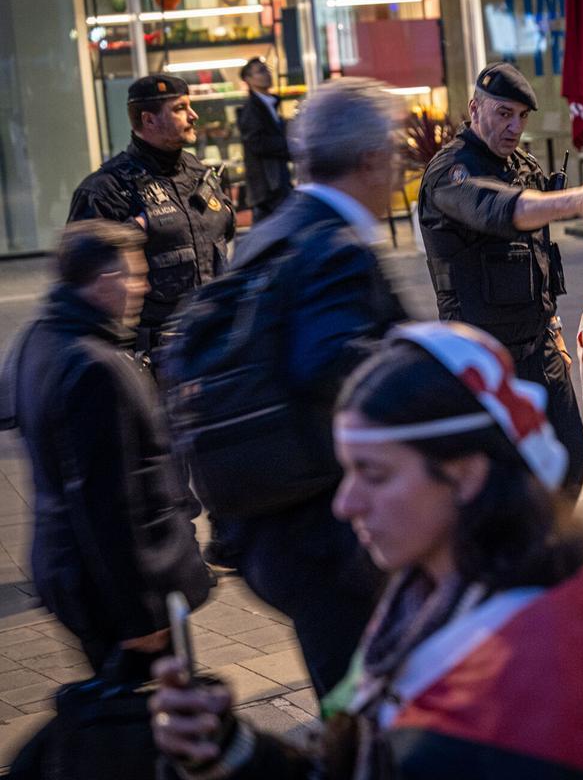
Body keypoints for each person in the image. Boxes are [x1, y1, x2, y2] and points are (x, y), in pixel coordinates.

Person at [149, 322, 583, 780]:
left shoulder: (512, 693)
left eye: (373, 474)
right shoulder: (446, 591)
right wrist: (226, 749)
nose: (346, 503)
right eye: (347, 470)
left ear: (464, 473)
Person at [218, 79, 408, 697]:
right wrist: (427, 364)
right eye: (397, 149)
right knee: (365, 705)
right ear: (371, 158)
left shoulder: (273, 232)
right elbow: (331, 363)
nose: (401, 163)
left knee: (355, 695)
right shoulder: (334, 244)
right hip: (324, 533)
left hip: (267, 519)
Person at [4, 221, 210, 676]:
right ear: (103, 283)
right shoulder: (94, 366)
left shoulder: (38, 339)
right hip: (123, 592)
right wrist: (140, 613)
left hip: (74, 573)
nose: (144, 287)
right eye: (135, 275)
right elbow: (107, 504)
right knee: (150, 719)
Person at [418, 62, 583, 497]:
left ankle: (550, 562)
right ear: (475, 109)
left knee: (569, 465)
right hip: (486, 364)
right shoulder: (451, 172)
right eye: (503, 114)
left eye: (522, 117)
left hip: (540, 351)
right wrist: (579, 200)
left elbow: (538, 256)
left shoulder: (522, 165)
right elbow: (504, 210)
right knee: (505, 491)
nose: (514, 127)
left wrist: (553, 329)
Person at [68, 74, 235, 354]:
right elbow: (80, 282)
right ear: (149, 120)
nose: (193, 115)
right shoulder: (106, 190)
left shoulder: (200, 174)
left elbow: (224, 232)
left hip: (214, 343)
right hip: (153, 354)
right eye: (179, 108)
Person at [236, 57, 292, 223]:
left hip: (276, 185)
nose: (267, 74)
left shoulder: (269, 104)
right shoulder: (252, 109)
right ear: (248, 80)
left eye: (266, 69)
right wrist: (290, 146)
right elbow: (257, 143)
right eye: (260, 71)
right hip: (267, 189)